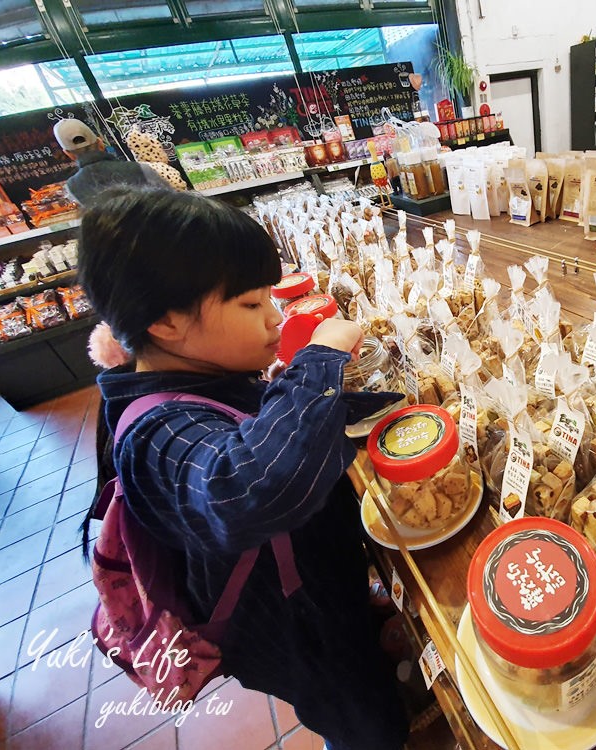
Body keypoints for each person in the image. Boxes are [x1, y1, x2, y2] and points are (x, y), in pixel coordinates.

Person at [78, 188, 408, 750]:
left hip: (316, 592)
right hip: (294, 632)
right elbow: (251, 486)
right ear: (167, 322)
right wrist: (319, 360)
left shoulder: (200, 373)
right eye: (252, 306)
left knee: (363, 663)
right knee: (365, 718)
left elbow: (261, 426)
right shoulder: (155, 437)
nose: (275, 318)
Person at [53, 119, 170, 206]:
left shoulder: (73, 187)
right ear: (100, 143)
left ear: (68, 154)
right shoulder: (140, 168)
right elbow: (174, 202)